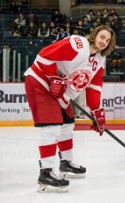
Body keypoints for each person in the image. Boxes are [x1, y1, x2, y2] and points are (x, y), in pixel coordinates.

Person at [23, 25, 116, 192]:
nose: (104, 42)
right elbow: (45, 55)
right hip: (40, 81)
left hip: (59, 91)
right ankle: (46, 171)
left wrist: (96, 112)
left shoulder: (99, 61)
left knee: (67, 122)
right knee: (52, 127)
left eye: (107, 40)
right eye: (102, 37)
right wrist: (53, 77)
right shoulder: (78, 44)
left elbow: (94, 87)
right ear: (94, 35)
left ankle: (65, 163)